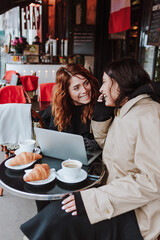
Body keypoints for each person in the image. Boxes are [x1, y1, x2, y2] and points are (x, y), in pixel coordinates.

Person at [21, 58, 160, 240]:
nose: (99, 89)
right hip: (114, 193)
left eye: (104, 83)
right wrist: (101, 119)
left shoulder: (148, 116)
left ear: (120, 84)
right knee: (54, 213)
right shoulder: (125, 109)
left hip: (136, 213)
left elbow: (152, 181)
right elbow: (112, 147)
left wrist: (92, 199)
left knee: (56, 219)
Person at [36, 63, 100, 212]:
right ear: (66, 91)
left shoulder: (99, 105)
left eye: (86, 83)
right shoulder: (59, 108)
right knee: (42, 189)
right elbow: (52, 138)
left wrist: (92, 144)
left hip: (92, 165)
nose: (85, 90)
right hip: (63, 161)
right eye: (76, 88)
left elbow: (107, 140)